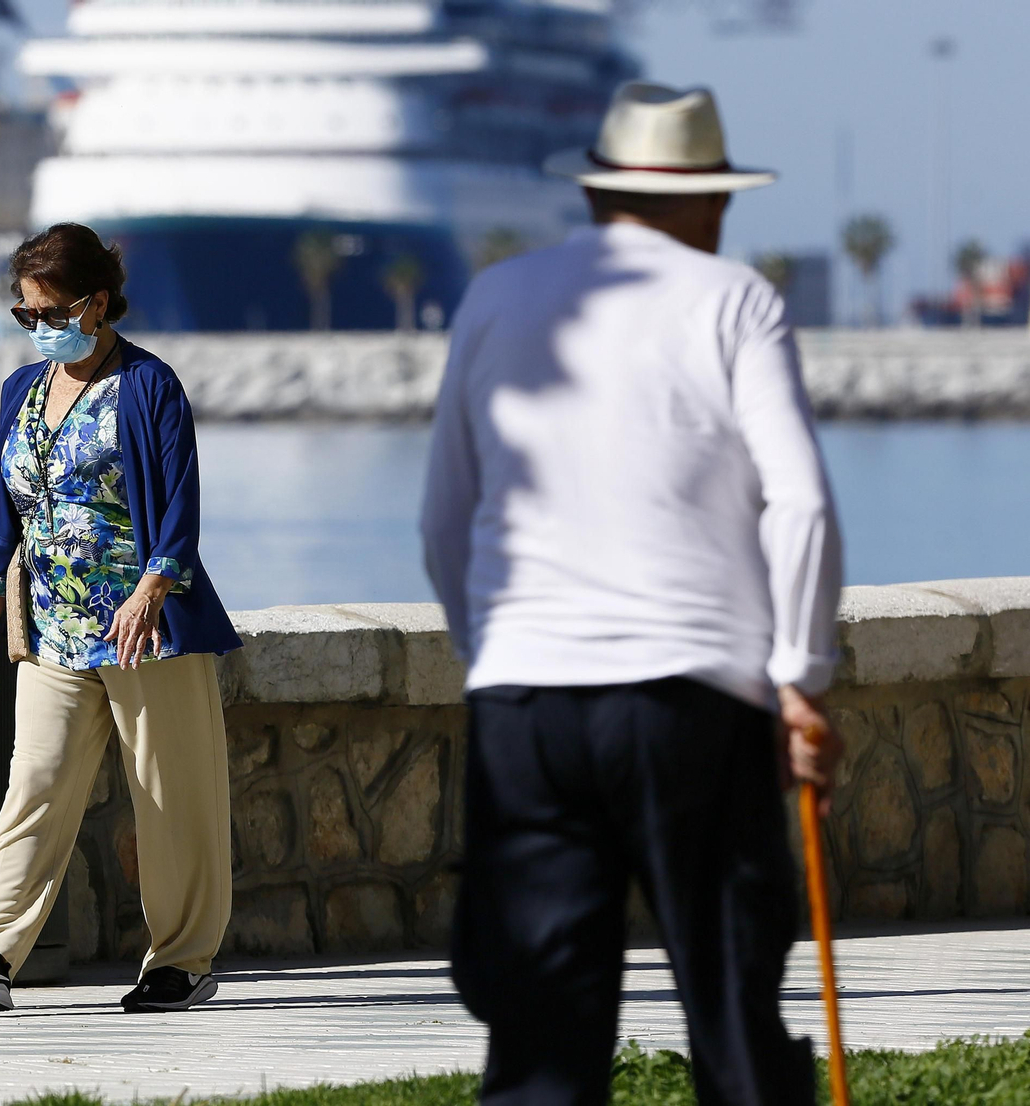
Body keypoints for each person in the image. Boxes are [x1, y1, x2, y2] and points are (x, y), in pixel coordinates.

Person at [420, 82, 846, 1105]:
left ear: (599, 193)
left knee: (539, 1030)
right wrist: (798, 673)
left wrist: (498, 656)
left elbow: (445, 516)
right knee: (732, 1002)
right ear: (711, 200)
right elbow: (800, 505)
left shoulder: (496, 295)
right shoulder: (734, 297)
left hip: (526, 700)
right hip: (691, 698)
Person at [0, 222, 241, 1014]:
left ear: (97, 303)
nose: (40, 328)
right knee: (35, 784)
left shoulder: (150, 386)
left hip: (148, 635)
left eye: (51, 312)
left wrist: (152, 588)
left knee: (171, 797)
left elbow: (181, 511)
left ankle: (183, 961)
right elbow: (2, 517)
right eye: (26, 315)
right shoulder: (22, 392)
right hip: (56, 634)